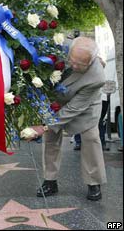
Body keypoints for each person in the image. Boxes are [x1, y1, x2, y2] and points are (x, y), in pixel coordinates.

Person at [29, 37, 107, 201]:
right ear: (69, 51)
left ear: (92, 60)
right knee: (50, 137)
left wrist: (43, 127)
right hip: (55, 100)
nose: (74, 66)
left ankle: (94, 182)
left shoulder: (97, 77)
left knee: (91, 138)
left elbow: (74, 108)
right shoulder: (57, 46)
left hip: (85, 106)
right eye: (73, 61)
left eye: (81, 65)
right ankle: (50, 181)